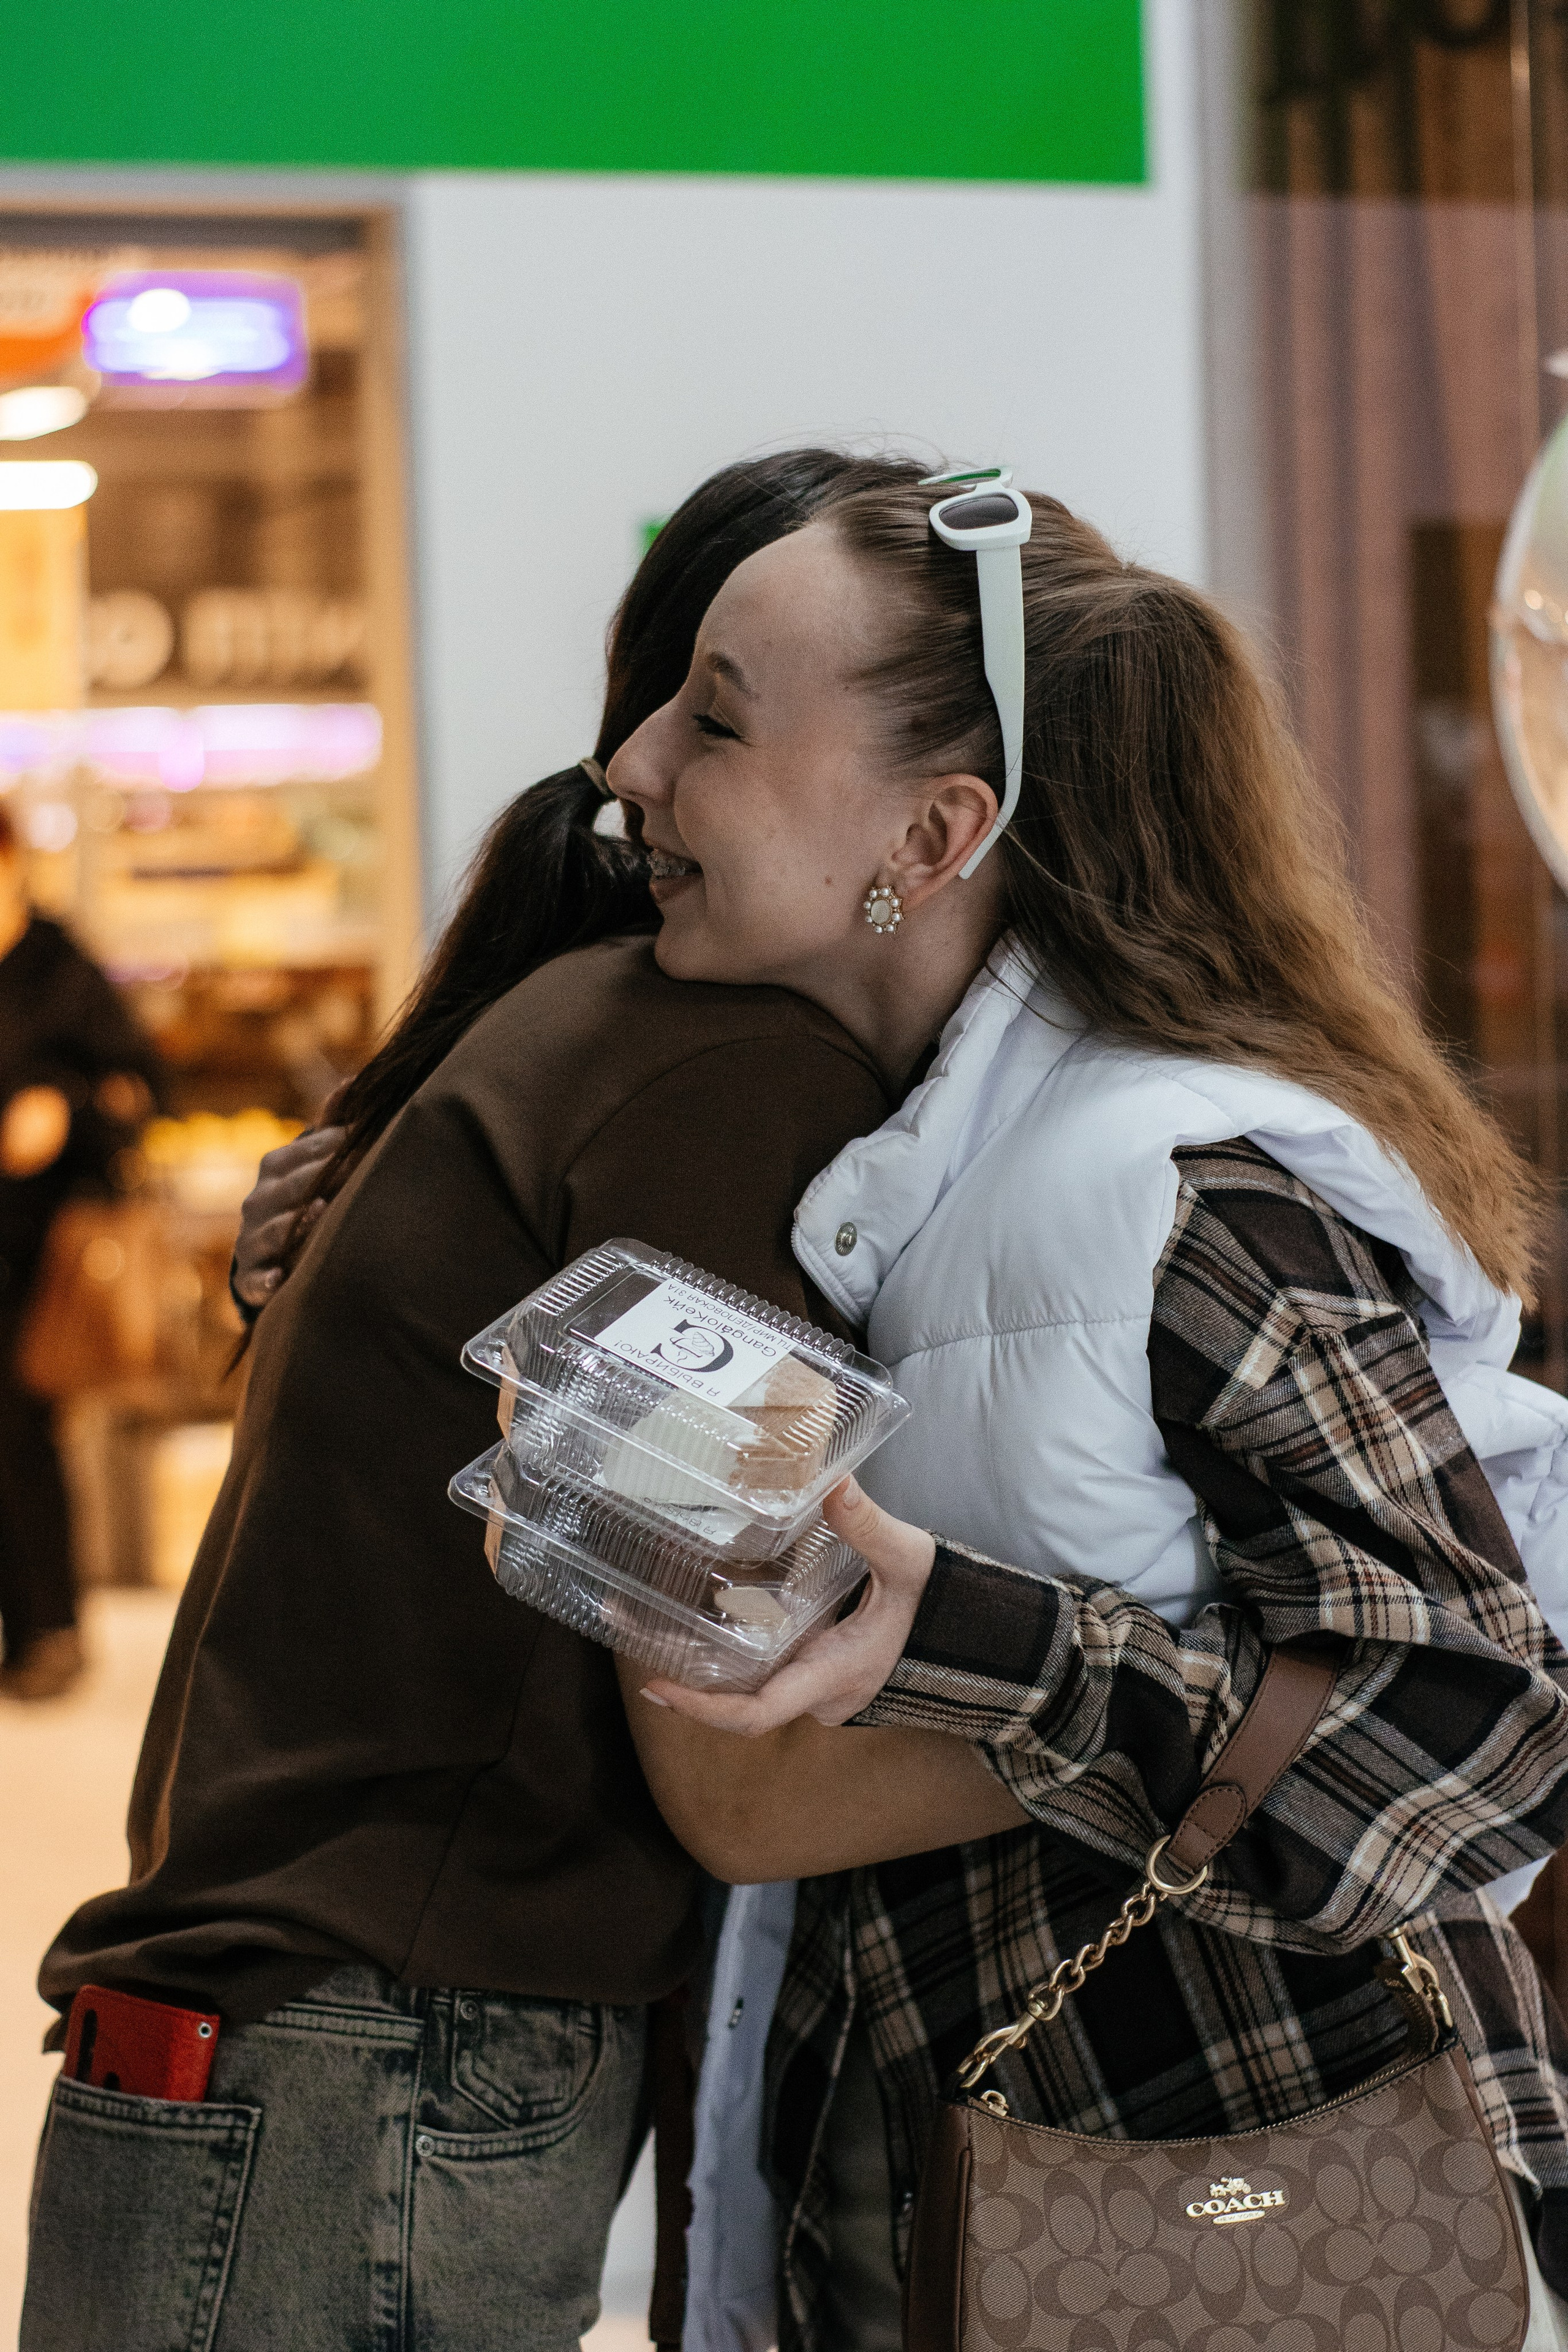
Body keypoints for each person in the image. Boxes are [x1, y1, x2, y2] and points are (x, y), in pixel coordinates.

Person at [21, 451, 1027, 2352]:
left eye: (710, 722)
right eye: (681, 707)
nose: (638, 764)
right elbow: (724, 1730)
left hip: (283, 2053)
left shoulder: (585, 1033)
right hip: (369, 2061)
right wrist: (1221, 1747)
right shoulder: (710, 1080)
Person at [594, 464, 1568, 2350]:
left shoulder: (1170, 1184)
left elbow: (1473, 1721)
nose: (631, 764)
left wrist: (988, 1649)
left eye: (713, 719)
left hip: (1254, 2205)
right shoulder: (907, 1185)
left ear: (933, 831)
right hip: (990, 2201)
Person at [0, 805, 161, 1700]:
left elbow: (138, 1089)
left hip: (42, 1250)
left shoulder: (56, 968)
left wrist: (61, 1109)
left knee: (22, 1433)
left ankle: (49, 1626)